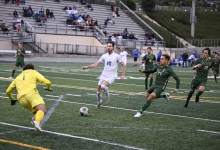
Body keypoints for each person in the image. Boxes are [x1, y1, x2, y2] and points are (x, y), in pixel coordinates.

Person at [6, 63, 52, 132]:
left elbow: (8, 91)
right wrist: (48, 88)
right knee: (42, 110)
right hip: (31, 94)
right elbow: (48, 82)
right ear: (32, 68)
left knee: (36, 111)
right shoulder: (33, 72)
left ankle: (35, 119)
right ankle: (36, 122)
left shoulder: (18, 77)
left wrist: (12, 99)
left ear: (23, 69)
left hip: (21, 99)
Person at [82, 41, 126, 108]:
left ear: (113, 47)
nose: (108, 47)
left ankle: (107, 94)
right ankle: (99, 102)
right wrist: (87, 67)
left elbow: (123, 65)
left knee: (103, 86)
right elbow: (96, 64)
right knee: (98, 91)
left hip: (112, 75)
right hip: (103, 75)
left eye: (110, 46)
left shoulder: (117, 56)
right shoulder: (104, 55)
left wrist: (123, 75)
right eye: (107, 46)